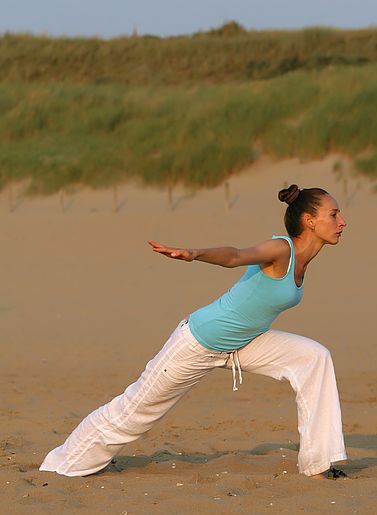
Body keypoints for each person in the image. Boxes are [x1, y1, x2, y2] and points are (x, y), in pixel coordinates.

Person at [39, 184, 348, 479]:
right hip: (199, 341)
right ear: (309, 220)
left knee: (314, 358)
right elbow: (235, 256)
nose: (341, 221)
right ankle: (63, 466)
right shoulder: (282, 249)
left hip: (244, 344)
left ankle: (317, 463)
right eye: (334, 214)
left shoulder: (304, 263)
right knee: (135, 411)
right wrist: (194, 253)